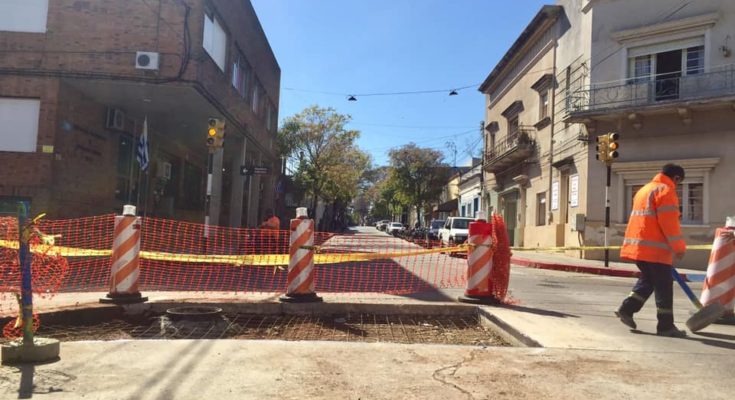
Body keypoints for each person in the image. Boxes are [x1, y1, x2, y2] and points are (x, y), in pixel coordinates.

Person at [616, 163, 687, 337]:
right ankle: (665, 327)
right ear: (676, 178)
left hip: (639, 248)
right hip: (656, 251)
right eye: (679, 182)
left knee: (648, 281)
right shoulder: (666, 191)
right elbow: (669, 224)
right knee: (663, 287)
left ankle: (627, 308)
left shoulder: (644, 190)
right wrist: (678, 248)